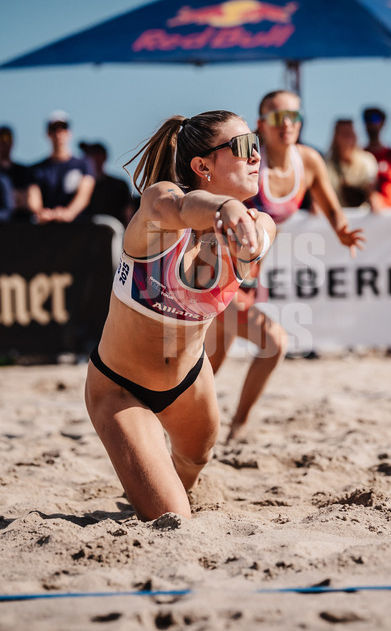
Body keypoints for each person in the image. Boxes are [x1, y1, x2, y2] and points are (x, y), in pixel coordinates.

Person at [84, 110, 275, 520]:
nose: (257, 155)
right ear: (202, 166)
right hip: (121, 387)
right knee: (172, 518)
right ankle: (151, 480)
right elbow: (183, 206)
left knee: (195, 459)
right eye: (244, 146)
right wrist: (224, 206)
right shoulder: (161, 203)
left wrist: (235, 220)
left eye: (257, 144)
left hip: (189, 382)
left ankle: (158, 482)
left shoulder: (258, 225)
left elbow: (257, 237)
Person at [208, 90, 365, 443]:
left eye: (295, 116)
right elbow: (210, 200)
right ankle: (237, 426)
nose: (288, 124)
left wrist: (342, 231)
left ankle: (172, 420)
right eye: (279, 117)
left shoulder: (307, 160)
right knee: (274, 344)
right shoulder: (247, 161)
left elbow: (331, 207)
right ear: (261, 124)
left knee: (209, 364)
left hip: (248, 278)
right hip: (220, 272)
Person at [32, 111, 95, 223]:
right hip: (46, 228)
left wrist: (69, 213)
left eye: (63, 128)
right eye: (54, 129)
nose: (58, 134)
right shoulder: (38, 169)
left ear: (69, 133)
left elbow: (84, 196)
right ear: (48, 134)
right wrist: (42, 213)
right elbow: (32, 197)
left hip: (78, 228)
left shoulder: (84, 164)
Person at [362, 106, 391, 213]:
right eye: (367, 119)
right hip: (365, 214)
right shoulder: (358, 157)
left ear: (383, 123)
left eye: (376, 119)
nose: (372, 124)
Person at [324, 118, 378, 208]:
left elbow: (372, 191)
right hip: (337, 213)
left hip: (363, 214)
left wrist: (374, 199)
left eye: (350, 133)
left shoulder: (367, 161)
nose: (348, 138)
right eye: (344, 134)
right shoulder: (326, 164)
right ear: (335, 137)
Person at [0, 124, 40, 223]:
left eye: (7, 138)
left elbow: (34, 203)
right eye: (0, 139)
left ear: (13, 142)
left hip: (22, 224)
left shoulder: (24, 171)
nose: (4, 142)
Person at [82, 141, 134, 225]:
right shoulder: (78, 186)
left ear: (104, 157)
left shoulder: (119, 185)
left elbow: (128, 212)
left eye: (95, 154)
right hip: (84, 231)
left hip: (113, 230)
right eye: (88, 154)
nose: (90, 158)